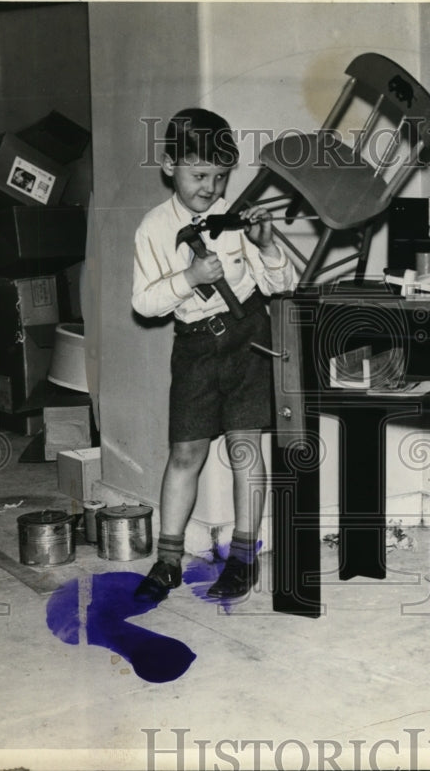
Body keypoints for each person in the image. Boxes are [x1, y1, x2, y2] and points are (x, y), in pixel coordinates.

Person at [131, 108, 296, 602]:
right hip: (195, 347)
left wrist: (267, 248)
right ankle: (167, 561)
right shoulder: (153, 228)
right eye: (199, 174)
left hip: (249, 337)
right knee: (185, 453)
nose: (210, 187)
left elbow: (281, 286)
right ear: (168, 165)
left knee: (245, 447)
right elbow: (144, 302)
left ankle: (244, 561)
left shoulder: (236, 218)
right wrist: (188, 279)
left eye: (220, 176)